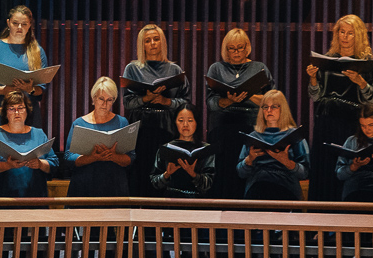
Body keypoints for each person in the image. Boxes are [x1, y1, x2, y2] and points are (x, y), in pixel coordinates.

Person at [306, 14, 373, 201]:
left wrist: (360, 81)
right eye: (342, 32)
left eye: (350, 33)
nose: (345, 37)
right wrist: (313, 78)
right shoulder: (327, 60)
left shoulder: (366, 63)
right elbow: (315, 96)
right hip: (327, 121)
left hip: (351, 123)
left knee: (348, 168)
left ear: (358, 36)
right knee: (325, 169)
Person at [120, 23, 191, 196]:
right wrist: (147, 98)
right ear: (142, 45)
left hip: (167, 127)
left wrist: (166, 101)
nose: (152, 43)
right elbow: (127, 103)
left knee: (164, 174)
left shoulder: (174, 69)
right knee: (140, 174)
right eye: (147, 40)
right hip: (140, 128)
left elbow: (186, 102)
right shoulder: (133, 68)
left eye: (156, 39)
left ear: (162, 42)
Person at [0, 6, 50, 150]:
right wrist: (3, 90)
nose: (19, 27)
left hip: (25, 112)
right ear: (8, 23)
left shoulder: (37, 51)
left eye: (24, 24)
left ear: (29, 25)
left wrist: (30, 89)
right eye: (15, 23)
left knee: (25, 153)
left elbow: (42, 88)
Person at [203, 27, 267, 201]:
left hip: (251, 128)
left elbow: (271, 100)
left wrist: (248, 94)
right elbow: (211, 103)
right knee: (223, 176)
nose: (237, 52)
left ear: (247, 47)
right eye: (232, 48)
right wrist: (229, 100)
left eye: (240, 47)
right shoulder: (216, 68)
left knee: (248, 173)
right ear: (226, 49)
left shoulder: (259, 68)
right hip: (223, 127)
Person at [0, 88, 57, 198]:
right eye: (11, 109)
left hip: (35, 197)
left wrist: (40, 164)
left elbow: (54, 163)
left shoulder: (39, 134)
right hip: (2, 197)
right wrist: (8, 165)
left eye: (20, 108)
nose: (17, 112)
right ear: (5, 112)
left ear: (27, 110)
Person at [63, 76, 133, 198]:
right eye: (101, 99)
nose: (104, 104)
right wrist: (93, 157)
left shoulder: (122, 122)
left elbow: (131, 158)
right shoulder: (79, 123)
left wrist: (113, 156)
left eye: (109, 100)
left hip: (113, 185)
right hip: (85, 184)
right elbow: (68, 157)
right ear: (94, 98)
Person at [237, 90, 308, 201]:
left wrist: (287, 162)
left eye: (274, 107)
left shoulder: (294, 136)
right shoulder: (254, 136)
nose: (269, 110)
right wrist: (249, 159)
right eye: (265, 107)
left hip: (286, 187)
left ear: (282, 109)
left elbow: (305, 173)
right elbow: (240, 173)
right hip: (257, 187)